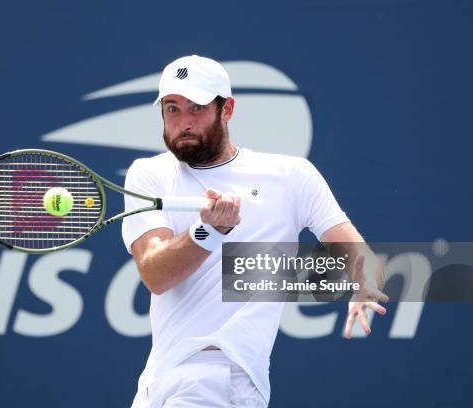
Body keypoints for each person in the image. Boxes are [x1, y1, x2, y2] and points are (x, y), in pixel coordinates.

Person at [121, 55, 388, 408]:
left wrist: (365, 285)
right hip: (158, 378)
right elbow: (156, 274)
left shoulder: (292, 176)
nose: (183, 122)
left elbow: (361, 257)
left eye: (196, 108)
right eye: (172, 109)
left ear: (227, 109)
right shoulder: (148, 175)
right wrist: (209, 231)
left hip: (222, 378)